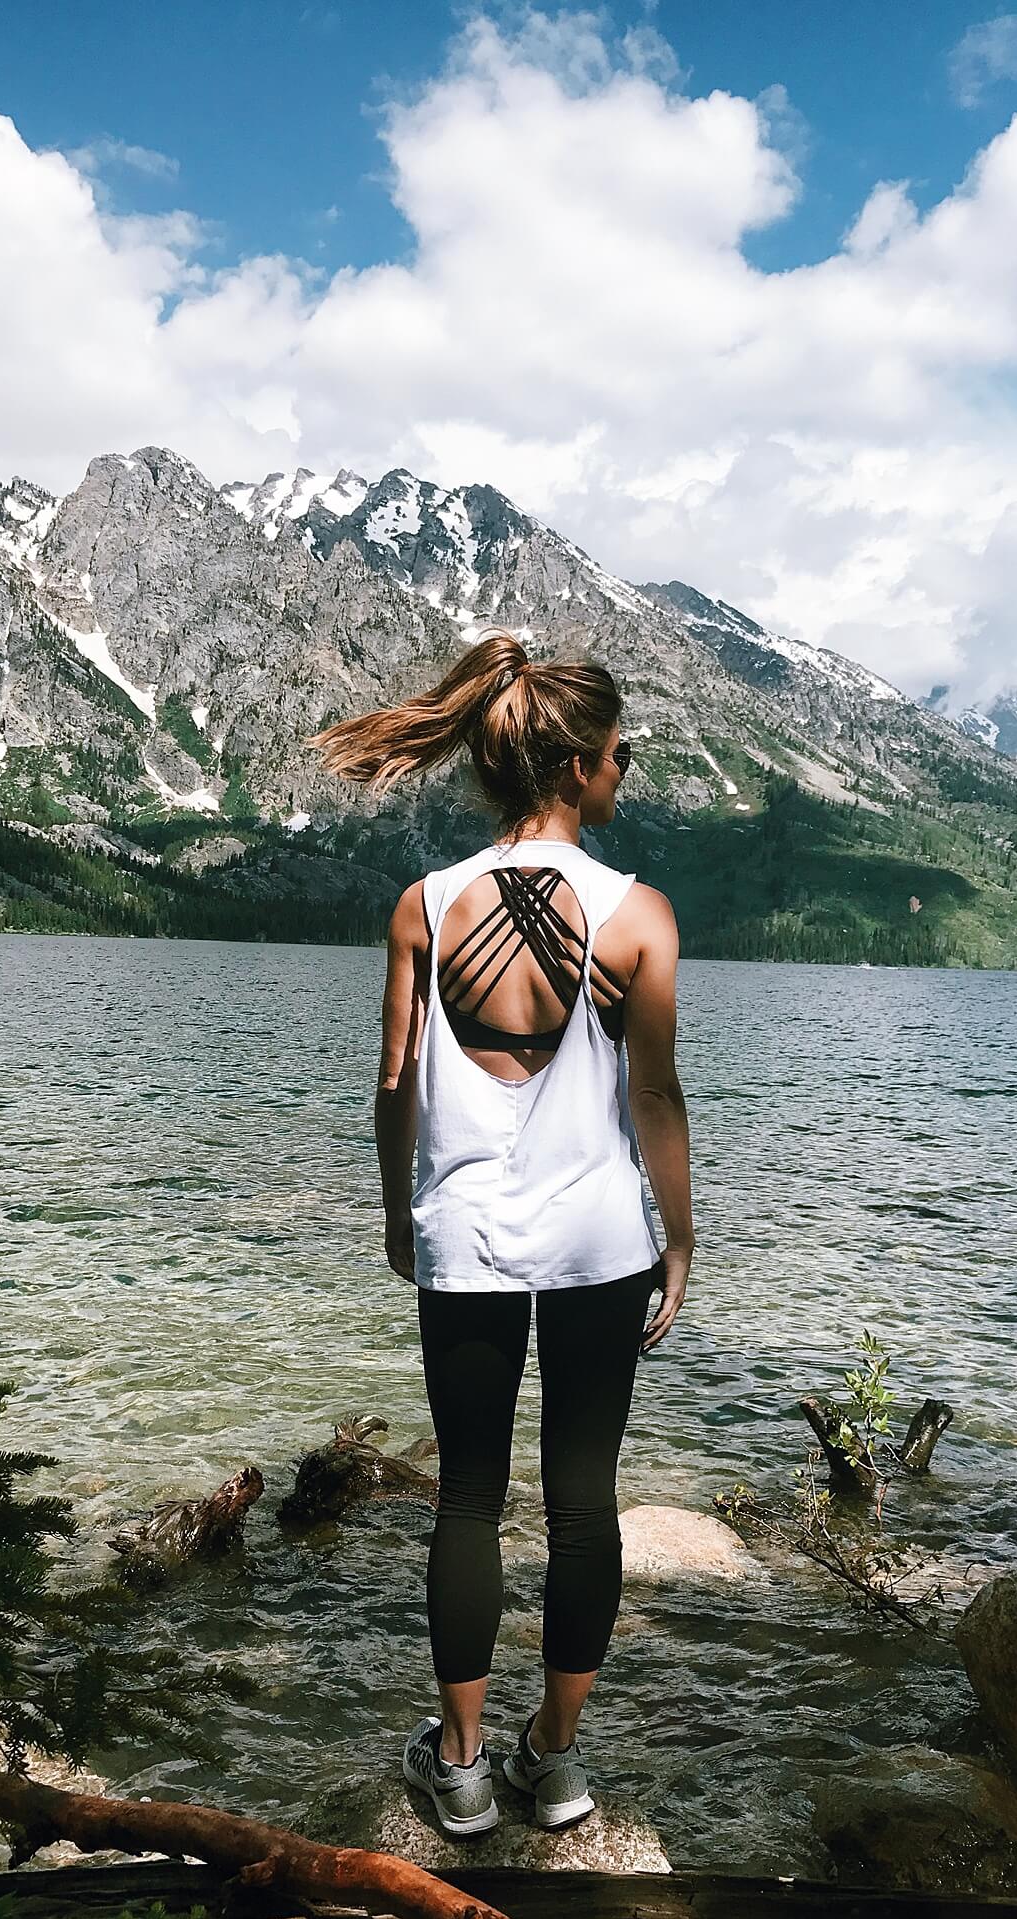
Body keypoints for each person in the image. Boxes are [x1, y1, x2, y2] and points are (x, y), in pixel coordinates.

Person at [306, 628, 694, 1837]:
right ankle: (557, 1762)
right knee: (586, 1501)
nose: (625, 770)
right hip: (597, 1242)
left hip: (461, 1234)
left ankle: (462, 1767)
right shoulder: (639, 916)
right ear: (578, 768)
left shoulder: (424, 904)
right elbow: (654, 1097)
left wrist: (393, 1209)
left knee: (466, 1496)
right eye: (621, 753)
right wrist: (678, 1237)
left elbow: (394, 1084)